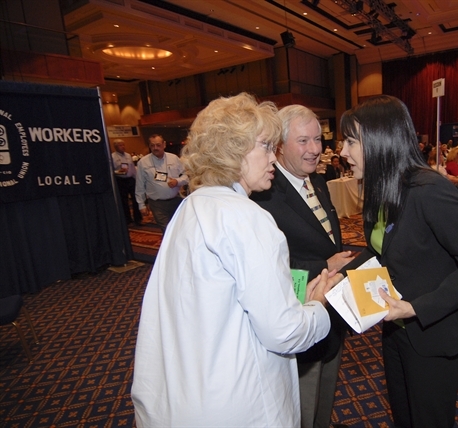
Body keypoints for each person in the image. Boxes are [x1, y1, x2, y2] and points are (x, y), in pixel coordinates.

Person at [131, 93, 340, 427]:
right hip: (241, 403)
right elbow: (285, 332)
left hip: (187, 394)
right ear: (234, 150)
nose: (273, 157)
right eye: (266, 146)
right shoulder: (248, 217)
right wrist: (318, 305)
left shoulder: (190, 207)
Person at [339, 95, 458, 427]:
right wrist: (338, 279)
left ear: (380, 140)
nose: (342, 152)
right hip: (396, 331)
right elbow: (379, 251)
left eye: (351, 141)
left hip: (433, 334)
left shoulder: (429, 190)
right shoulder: (382, 189)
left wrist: (416, 308)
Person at [251, 104, 354, 428]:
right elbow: (266, 262)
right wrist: (323, 265)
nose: (315, 149)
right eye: (303, 141)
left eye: (318, 139)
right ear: (280, 146)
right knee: (301, 408)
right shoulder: (264, 193)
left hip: (330, 314)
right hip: (296, 319)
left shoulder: (317, 181)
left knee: (324, 400)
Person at [135, 134, 189, 232]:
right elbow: (140, 185)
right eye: (152, 145)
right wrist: (141, 205)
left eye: (158, 145)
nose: (155, 148)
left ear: (164, 144)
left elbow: (186, 176)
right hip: (157, 204)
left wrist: (177, 181)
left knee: (179, 229)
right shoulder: (143, 162)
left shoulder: (174, 158)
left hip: (175, 201)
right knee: (167, 230)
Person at [111, 138, 142, 225]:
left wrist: (137, 179)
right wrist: (118, 171)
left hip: (130, 179)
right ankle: (127, 219)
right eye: (120, 145)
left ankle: (138, 219)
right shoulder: (112, 157)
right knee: (124, 201)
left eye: (123, 145)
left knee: (136, 199)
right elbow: (110, 171)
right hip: (120, 180)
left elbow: (132, 168)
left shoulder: (128, 155)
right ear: (116, 147)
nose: (123, 147)